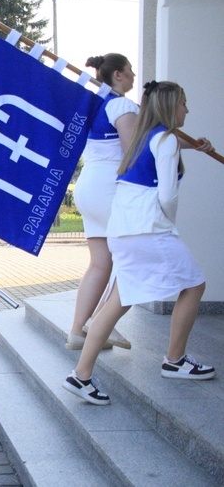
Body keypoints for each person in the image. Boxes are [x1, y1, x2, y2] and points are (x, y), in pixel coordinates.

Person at [63, 81, 216, 406]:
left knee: (119, 301)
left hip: (124, 230)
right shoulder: (166, 140)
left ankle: (81, 375)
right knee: (195, 285)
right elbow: (167, 195)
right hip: (149, 230)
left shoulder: (146, 139)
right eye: (184, 103)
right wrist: (167, 226)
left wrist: (194, 146)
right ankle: (174, 360)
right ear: (171, 107)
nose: (187, 110)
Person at [68, 53, 139, 351]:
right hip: (110, 189)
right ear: (118, 75)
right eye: (130, 70)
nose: (134, 74)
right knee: (130, 259)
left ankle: (77, 332)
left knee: (100, 264)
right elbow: (134, 151)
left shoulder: (96, 105)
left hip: (89, 188)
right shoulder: (122, 104)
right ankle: (100, 323)